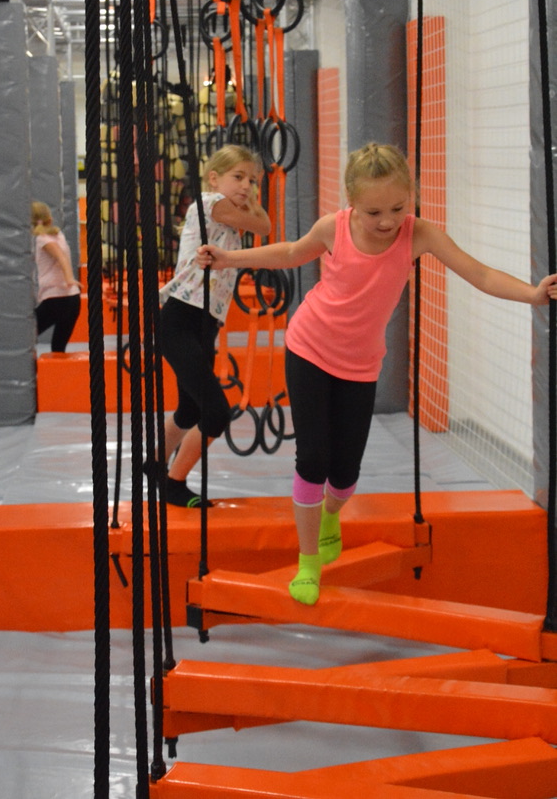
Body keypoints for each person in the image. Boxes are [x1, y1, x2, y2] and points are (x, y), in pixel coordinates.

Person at [197, 142, 557, 603]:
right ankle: (308, 561)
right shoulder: (333, 228)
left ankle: (331, 515)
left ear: (411, 198)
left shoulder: (418, 234)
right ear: (351, 202)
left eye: (397, 208)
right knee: (313, 459)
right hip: (308, 348)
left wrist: (532, 294)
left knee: (345, 474)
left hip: (360, 365)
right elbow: (290, 252)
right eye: (373, 212)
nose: (387, 221)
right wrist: (230, 259)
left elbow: (479, 274)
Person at [158, 144, 271, 507]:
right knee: (216, 412)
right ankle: (174, 483)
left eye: (252, 180)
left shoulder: (230, 212)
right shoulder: (210, 204)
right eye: (238, 177)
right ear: (213, 179)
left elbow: (264, 226)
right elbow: (263, 225)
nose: (246, 186)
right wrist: (251, 203)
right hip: (180, 318)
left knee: (190, 410)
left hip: (204, 322)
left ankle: (153, 463)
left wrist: (248, 196)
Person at [32, 201, 82, 353]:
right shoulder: (58, 235)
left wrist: (69, 278)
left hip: (56, 300)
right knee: (58, 348)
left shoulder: (42, 239)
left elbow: (61, 257)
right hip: (73, 300)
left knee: (23, 337)